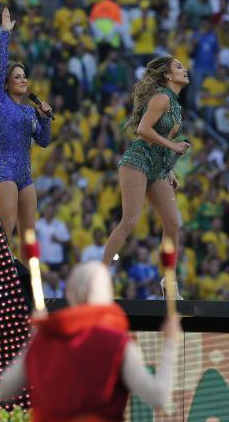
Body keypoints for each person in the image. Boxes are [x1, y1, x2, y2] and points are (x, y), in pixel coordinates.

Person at [0, 262, 180, 420]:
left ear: (71, 294)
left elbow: (3, 391)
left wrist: (35, 340)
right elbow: (158, 397)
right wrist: (170, 343)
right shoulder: (118, 344)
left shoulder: (45, 340)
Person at [100, 57, 190, 289]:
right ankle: (98, 275)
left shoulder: (176, 104)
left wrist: (169, 170)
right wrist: (173, 147)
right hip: (138, 159)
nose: (185, 69)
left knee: (172, 222)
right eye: (179, 67)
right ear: (168, 75)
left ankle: (169, 281)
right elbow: (143, 129)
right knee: (129, 221)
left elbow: (164, 139)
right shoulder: (161, 97)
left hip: (158, 166)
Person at [0, 8, 53, 260]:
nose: (23, 80)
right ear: (6, 83)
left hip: (25, 175)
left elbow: (44, 142)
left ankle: (29, 285)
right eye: (17, 77)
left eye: (25, 76)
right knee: (7, 227)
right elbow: (0, 66)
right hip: (5, 172)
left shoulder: (29, 112)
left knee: (29, 236)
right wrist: (5, 34)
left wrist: (45, 119)